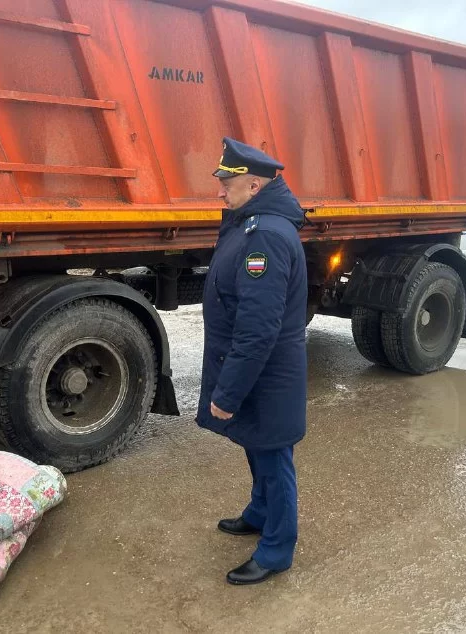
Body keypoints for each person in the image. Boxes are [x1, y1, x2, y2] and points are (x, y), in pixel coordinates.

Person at [197, 137, 308, 585]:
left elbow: (258, 327)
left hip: (267, 374)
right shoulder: (252, 225)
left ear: (254, 186)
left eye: (227, 184)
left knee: (274, 457)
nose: (220, 192)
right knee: (257, 446)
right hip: (257, 370)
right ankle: (259, 513)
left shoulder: (265, 236)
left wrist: (227, 393)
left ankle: (276, 550)